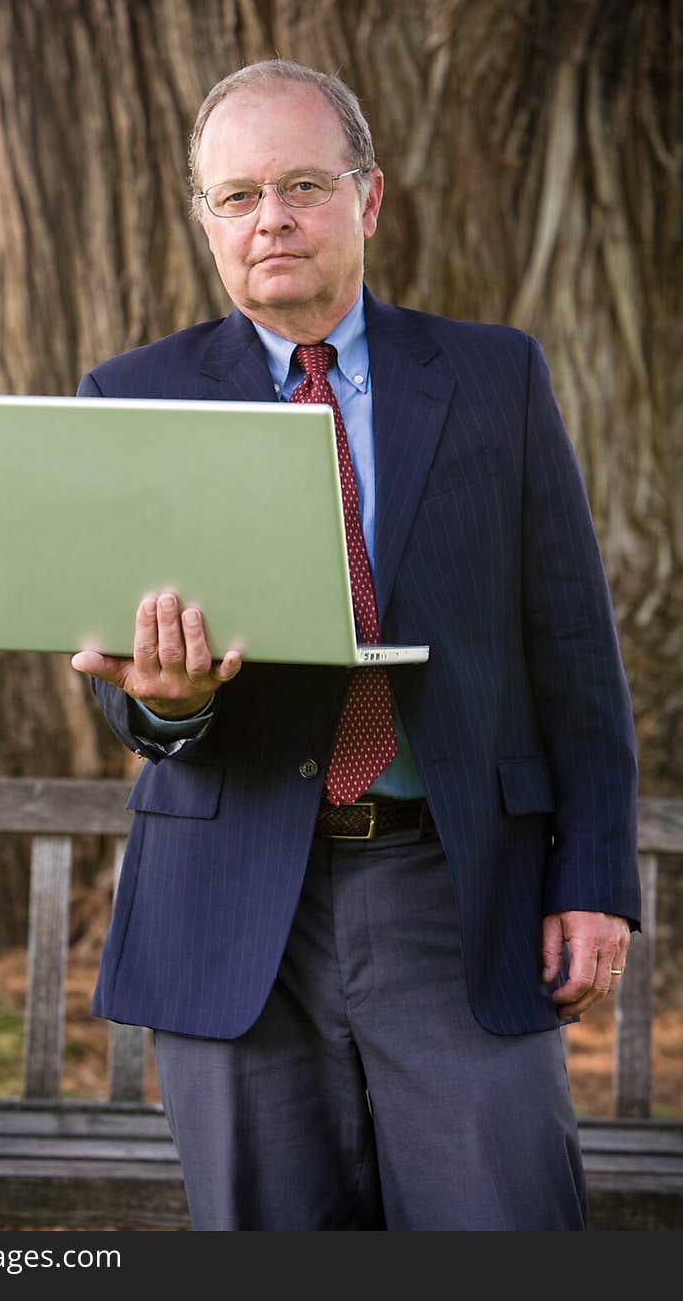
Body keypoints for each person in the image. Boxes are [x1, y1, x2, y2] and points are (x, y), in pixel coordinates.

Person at [70, 59, 640, 1231]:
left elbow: (575, 650)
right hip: (230, 911)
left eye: (301, 185)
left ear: (367, 200)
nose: (269, 218)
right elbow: (115, 684)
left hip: (455, 887)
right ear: (205, 221)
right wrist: (166, 701)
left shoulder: (494, 379)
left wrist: (592, 880)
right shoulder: (132, 395)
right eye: (235, 197)